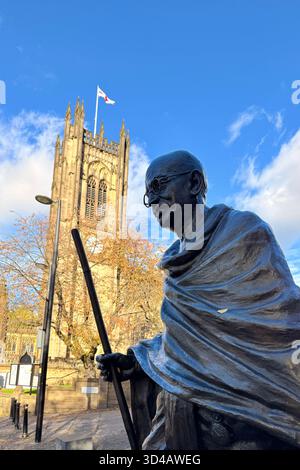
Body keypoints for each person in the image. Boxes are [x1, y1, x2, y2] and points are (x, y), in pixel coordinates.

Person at [97, 150, 300, 450]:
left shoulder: (245, 232)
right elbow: (185, 338)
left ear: (194, 183)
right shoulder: (175, 266)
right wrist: (138, 361)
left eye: (159, 186)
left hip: (243, 420)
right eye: (147, 195)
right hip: (184, 418)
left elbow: (281, 319)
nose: (152, 201)